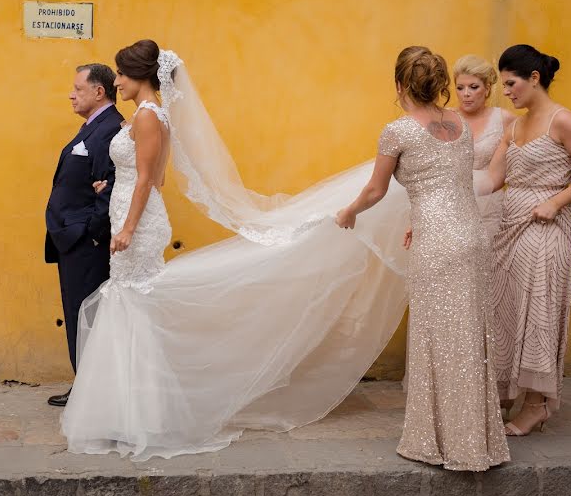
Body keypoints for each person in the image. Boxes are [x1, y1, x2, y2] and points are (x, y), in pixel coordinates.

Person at [61, 40, 413, 461]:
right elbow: (146, 177)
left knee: (132, 305)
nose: (115, 81)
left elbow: (147, 183)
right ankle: (130, 410)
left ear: (139, 76)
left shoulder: (150, 116)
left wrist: (130, 226)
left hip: (135, 224)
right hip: (128, 213)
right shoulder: (147, 116)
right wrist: (113, 188)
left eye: (120, 74)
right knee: (130, 306)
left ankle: (140, 414)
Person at [336, 46, 509, 471]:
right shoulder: (460, 126)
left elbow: (376, 190)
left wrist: (349, 211)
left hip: (437, 241)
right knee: (468, 337)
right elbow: (454, 184)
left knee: (437, 337)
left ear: (399, 85)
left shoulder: (397, 131)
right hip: (469, 234)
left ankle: (440, 442)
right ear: (441, 86)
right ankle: (476, 440)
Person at [481, 45, 571, 436]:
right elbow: (490, 180)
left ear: (534, 78)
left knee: (539, 309)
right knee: (505, 306)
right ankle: (506, 393)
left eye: (510, 83)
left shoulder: (563, 120)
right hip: (511, 224)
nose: (505, 91)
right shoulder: (514, 127)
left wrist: (556, 201)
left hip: (548, 227)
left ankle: (536, 405)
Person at [44, 63, 123, 407]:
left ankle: (90, 391)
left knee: (85, 316)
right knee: (80, 315)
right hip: (73, 240)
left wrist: (89, 233)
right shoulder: (94, 127)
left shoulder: (108, 130)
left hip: (85, 243)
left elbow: (112, 186)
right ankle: (87, 385)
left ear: (99, 91)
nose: (71, 94)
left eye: (78, 88)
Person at [453, 54, 516, 238]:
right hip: (451, 206)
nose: (466, 93)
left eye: (473, 87)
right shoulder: (445, 118)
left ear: (487, 89)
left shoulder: (504, 119)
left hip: (490, 209)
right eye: (460, 87)